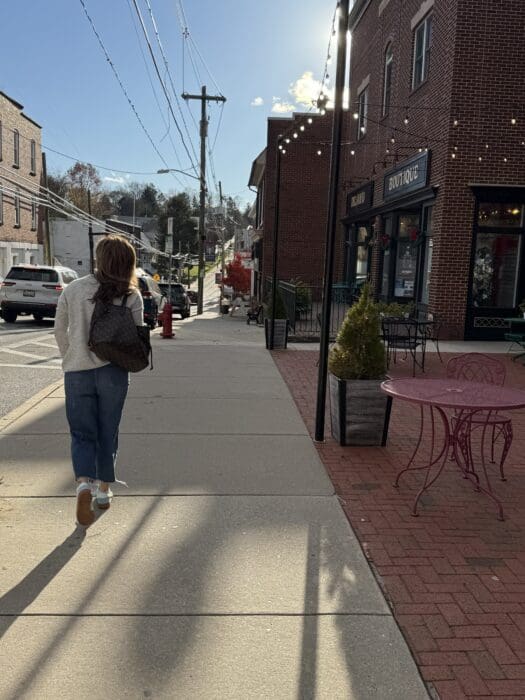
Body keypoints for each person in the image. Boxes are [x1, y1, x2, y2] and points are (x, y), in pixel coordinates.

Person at [54, 235, 144, 527]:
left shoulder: (74, 289)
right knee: (108, 432)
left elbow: (59, 330)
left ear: (99, 259)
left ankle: (83, 485)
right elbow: (137, 338)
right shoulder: (131, 295)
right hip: (114, 372)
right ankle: (103, 492)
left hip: (77, 372)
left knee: (81, 433)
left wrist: (71, 356)